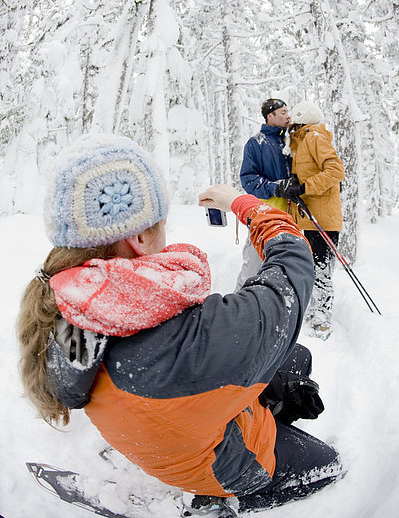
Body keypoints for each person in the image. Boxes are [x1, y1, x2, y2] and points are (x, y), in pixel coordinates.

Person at [17, 134, 342, 515]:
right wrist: (243, 204)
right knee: (327, 465)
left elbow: (75, 393)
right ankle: (215, 496)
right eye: (161, 222)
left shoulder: (67, 305)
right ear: (139, 237)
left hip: (154, 434)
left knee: (296, 357)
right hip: (210, 460)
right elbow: (292, 263)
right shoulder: (198, 338)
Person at [281, 100, 345, 339]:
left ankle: (322, 319)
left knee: (321, 271)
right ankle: (313, 313)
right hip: (306, 219)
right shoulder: (300, 142)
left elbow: (335, 171)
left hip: (322, 220)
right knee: (308, 269)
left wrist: (305, 187)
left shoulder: (313, 137)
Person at [235, 98, 303, 291]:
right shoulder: (256, 143)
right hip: (265, 214)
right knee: (254, 265)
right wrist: (276, 187)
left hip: (292, 216)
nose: (287, 116)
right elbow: (248, 180)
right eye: (282, 112)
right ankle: (239, 303)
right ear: (269, 116)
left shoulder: (293, 141)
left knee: (288, 264)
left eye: (287, 111)